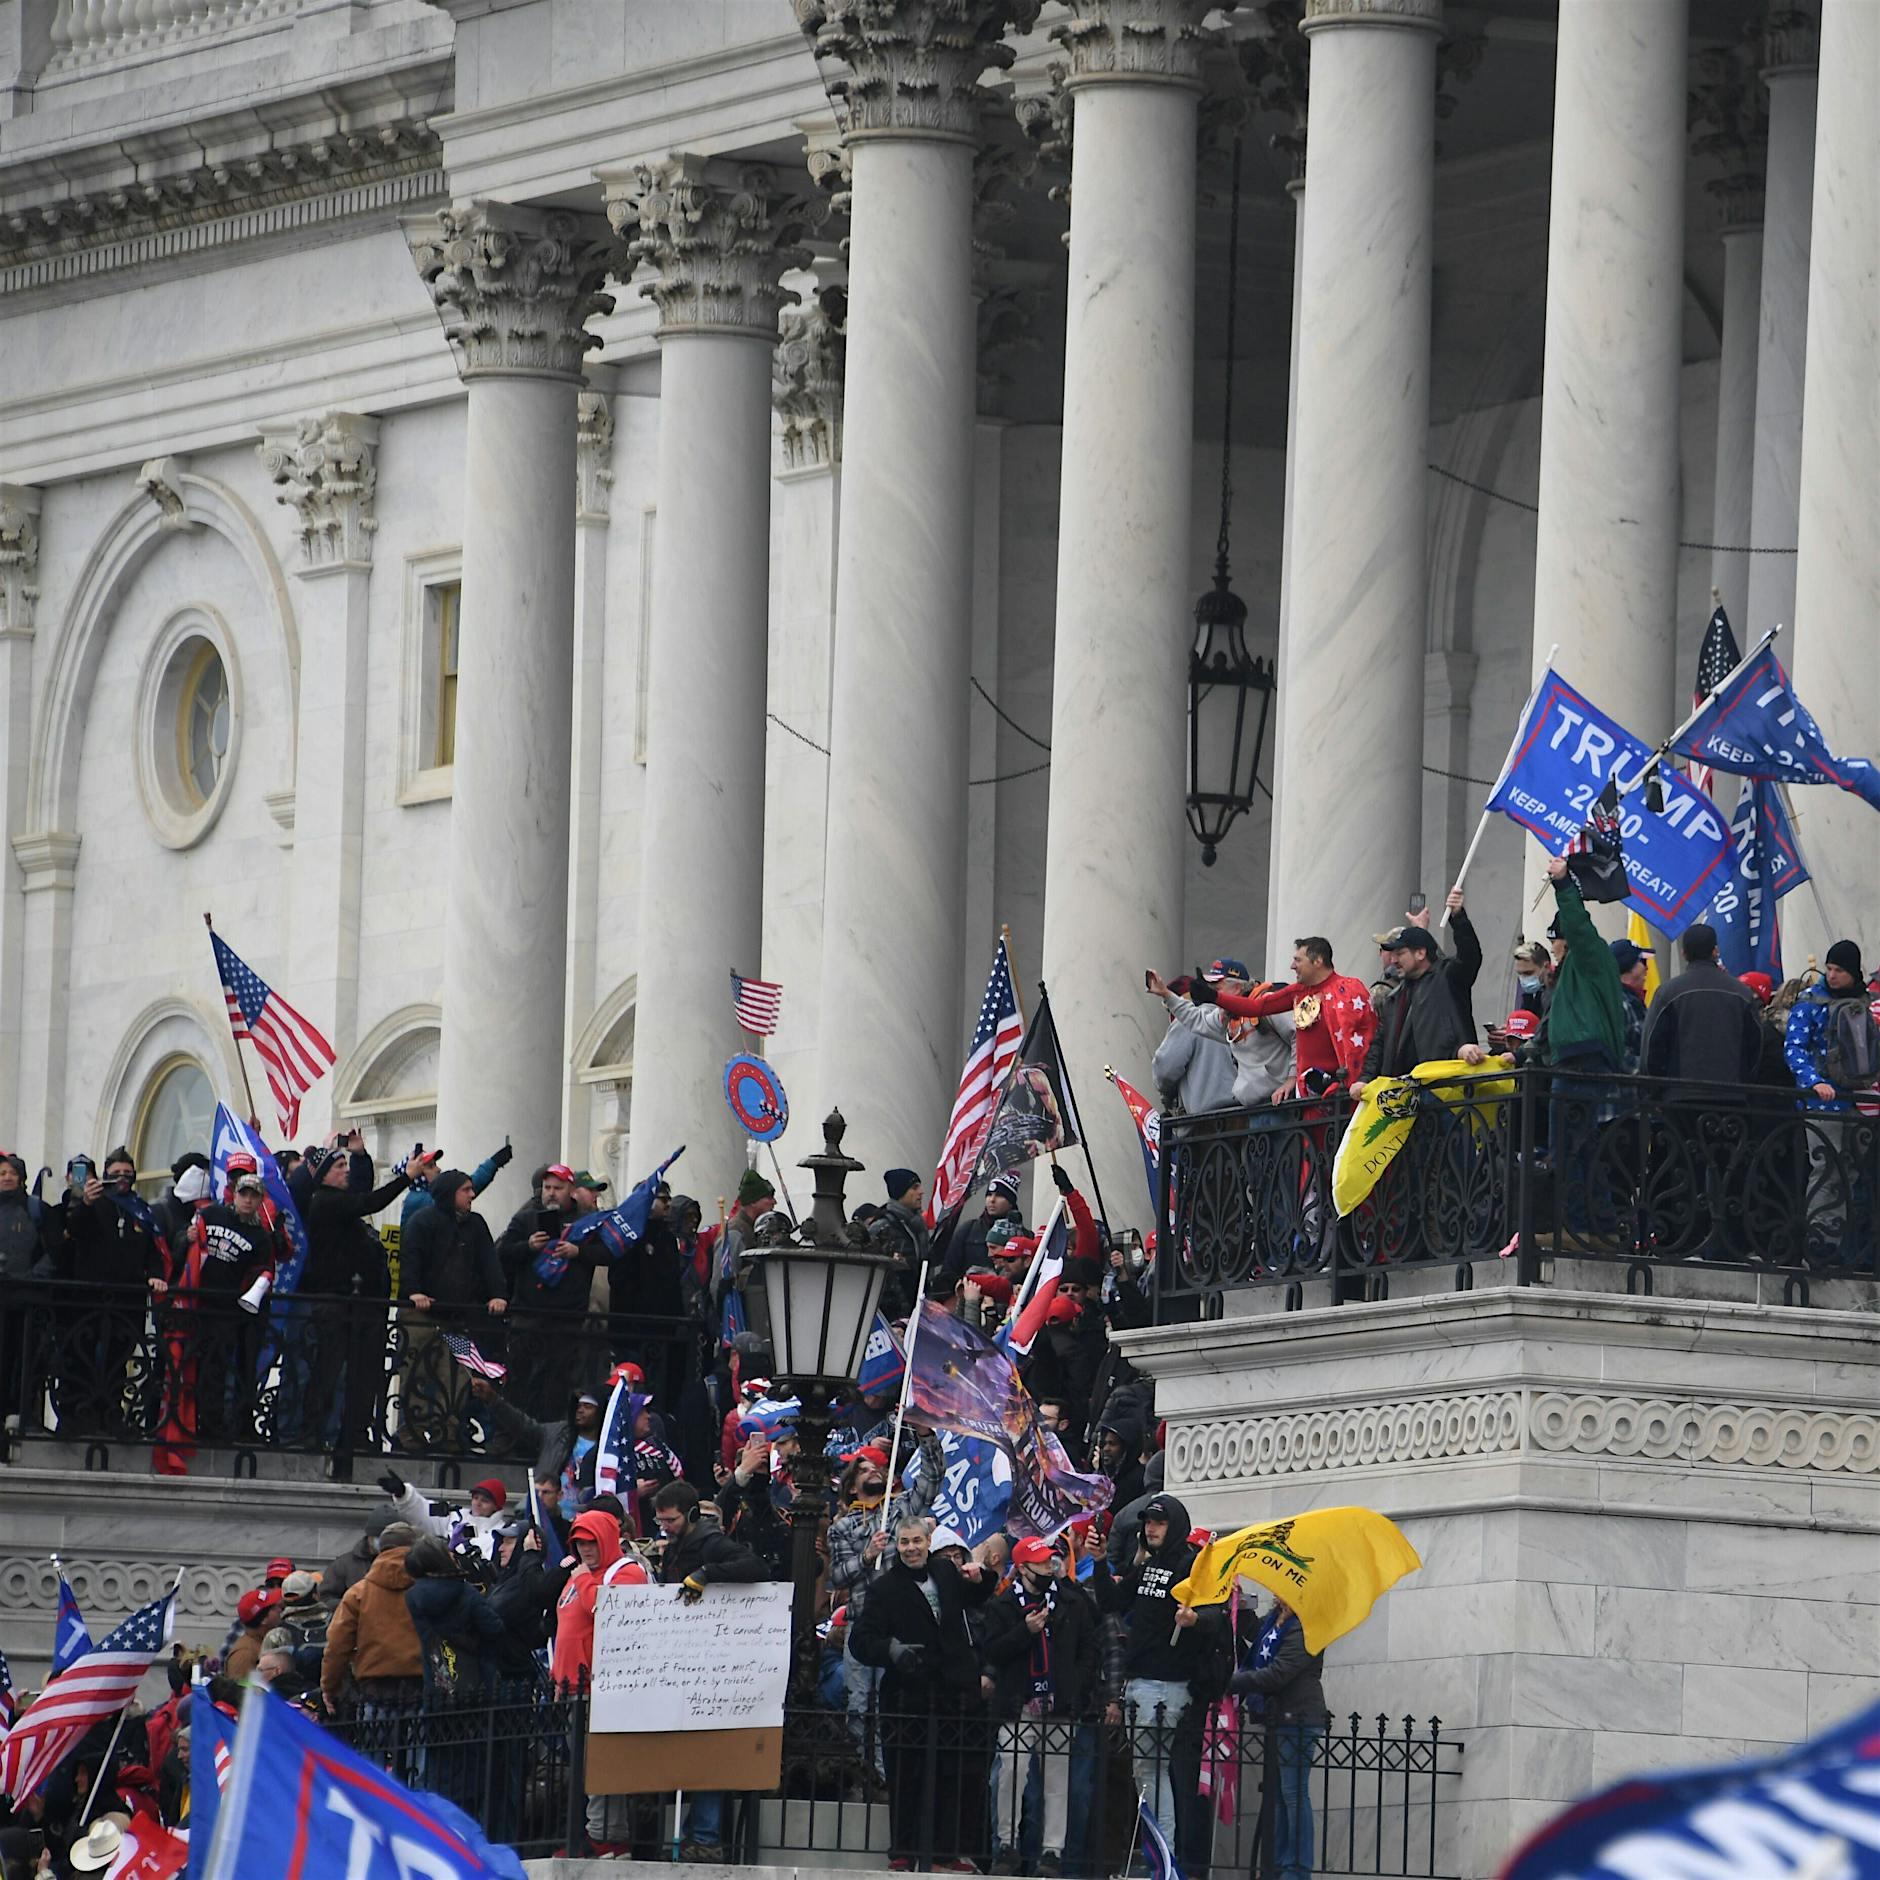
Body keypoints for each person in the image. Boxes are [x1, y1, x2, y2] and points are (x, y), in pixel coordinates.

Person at [848, 1515, 993, 1871]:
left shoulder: (945, 1572)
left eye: (917, 1541)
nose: (911, 1548)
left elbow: (978, 1596)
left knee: (952, 1775)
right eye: (904, 1542)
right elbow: (861, 1640)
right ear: (896, 1545)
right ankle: (903, 1850)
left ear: (929, 1542)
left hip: (952, 1691)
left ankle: (945, 1854)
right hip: (907, 1693)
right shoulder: (884, 1587)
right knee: (905, 1775)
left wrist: (983, 1576)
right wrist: (892, 1650)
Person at [1101, 1493, 1215, 1868]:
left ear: (1175, 1526)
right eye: (1147, 1521)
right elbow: (1113, 1601)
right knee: (1148, 1773)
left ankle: (1164, 1861)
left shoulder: (1190, 1566)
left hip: (1165, 1686)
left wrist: (1194, 1620)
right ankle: (1163, 1859)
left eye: (1159, 1522)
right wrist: (1100, 1561)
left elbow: (1215, 1619)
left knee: (1152, 1772)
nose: (1150, 1527)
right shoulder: (1149, 1566)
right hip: (1139, 1682)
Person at [300, 1138, 434, 1456]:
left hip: (362, 1305)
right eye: (339, 1166)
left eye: (346, 1165)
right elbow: (370, 1202)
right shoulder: (325, 1202)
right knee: (329, 1371)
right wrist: (407, 1176)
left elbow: (361, 1192)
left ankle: (356, 1434)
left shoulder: (341, 1203)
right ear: (323, 1175)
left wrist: (360, 1157)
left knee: (365, 1375)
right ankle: (312, 1432)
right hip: (334, 1302)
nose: (345, 1171)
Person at [652, 1483, 765, 1860]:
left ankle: (706, 1836)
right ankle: (694, 1833)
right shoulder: (676, 1547)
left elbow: (755, 1567)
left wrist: (706, 1573)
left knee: (706, 1752)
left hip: (712, 1664)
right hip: (683, 1659)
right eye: (661, 1519)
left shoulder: (711, 1543)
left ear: (692, 1516)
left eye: (671, 1519)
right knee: (689, 1756)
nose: (664, 1526)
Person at [982, 1535, 1101, 1877]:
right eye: (1040, 1563)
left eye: (1050, 1561)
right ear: (1022, 1568)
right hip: (1018, 1702)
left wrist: (1074, 1685)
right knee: (1010, 1773)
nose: (1048, 1567)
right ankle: (1006, 1844)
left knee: (1057, 1779)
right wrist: (1025, 1631)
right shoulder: (1003, 1605)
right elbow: (993, 1652)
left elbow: (1089, 1647)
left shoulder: (1069, 1601)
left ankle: (1053, 1851)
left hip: (1058, 1702)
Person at [398, 1169, 507, 1450]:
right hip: (422, 1316)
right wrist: (414, 1292)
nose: (472, 1195)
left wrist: (498, 1295)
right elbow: (410, 1259)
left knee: (457, 1378)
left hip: (456, 1318)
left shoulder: (475, 1225)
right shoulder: (423, 1221)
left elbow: (489, 1262)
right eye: (466, 1189)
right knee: (416, 1373)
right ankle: (410, 1433)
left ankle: (447, 1434)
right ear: (450, 1193)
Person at [1228, 1596, 1329, 1880]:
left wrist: (1231, 1683)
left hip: (1298, 1717)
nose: (1276, 1590)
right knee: (1279, 1796)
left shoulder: (1307, 1624)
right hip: (1278, 1718)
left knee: (1293, 1795)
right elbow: (1257, 1638)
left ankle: (1296, 1869)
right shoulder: (1277, 1618)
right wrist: (1237, 1602)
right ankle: (1277, 1865)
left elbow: (1279, 1673)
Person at [1212, 937, 1377, 1104]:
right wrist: (1214, 997)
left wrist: (1358, 1082)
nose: (1292, 966)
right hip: (1307, 1098)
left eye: (1298, 960)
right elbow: (1256, 1007)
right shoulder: (1298, 992)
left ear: (1318, 961)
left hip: (1342, 1097)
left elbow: (1364, 1042)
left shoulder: (1349, 989)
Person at [1354, 931, 1484, 1095]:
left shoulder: (1448, 977)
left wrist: (1458, 918)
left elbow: (1470, 955)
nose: (1394, 961)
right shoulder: (1394, 997)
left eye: (1400, 954)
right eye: (1392, 955)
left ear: (1421, 953)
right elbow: (1379, 1045)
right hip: (1403, 1096)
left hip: (1444, 1088)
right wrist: (1364, 1079)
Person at [1146, 969, 1293, 1108]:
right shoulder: (1225, 1018)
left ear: (1236, 987)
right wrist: (1165, 994)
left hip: (1276, 1105)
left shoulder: (1267, 1003)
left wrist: (1292, 1078)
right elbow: (1196, 1020)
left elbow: (1299, 1037)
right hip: (1250, 1111)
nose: (1211, 995)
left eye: (1216, 989)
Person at [320, 1520, 422, 1716]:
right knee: (417, 1745)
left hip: (375, 1688)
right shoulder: (427, 1587)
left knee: (374, 1745)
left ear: (380, 1549)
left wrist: (330, 1686)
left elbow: (337, 1644)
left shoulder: (358, 1592)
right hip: (419, 1685)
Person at [1640, 923, 1762, 1085]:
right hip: (1731, 1095)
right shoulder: (1742, 993)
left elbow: (1651, 1048)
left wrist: (1659, 1091)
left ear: (1684, 954)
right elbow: (1755, 1046)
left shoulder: (1667, 993)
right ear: (1715, 951)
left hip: (1680, 1095)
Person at [1151, 974, 1237, 1116]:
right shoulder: (1229, 1018)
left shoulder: (1186, 1022)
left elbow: (1165, 1071)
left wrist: (1168, 1093)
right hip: (1245, 1120)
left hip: (1205, 1122)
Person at [400, 1139, 512, 1227]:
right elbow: (457, 1194)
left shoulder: (420, 1196)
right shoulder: (418, 1199)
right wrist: (493, 1163)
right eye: (431, 1166)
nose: (438, 1169)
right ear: (418, 1173)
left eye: (435, 1164)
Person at [868, 1170, 930, 1319]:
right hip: (893, 1314)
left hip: (917, 1311)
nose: (921, 1192)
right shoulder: (881, 1228)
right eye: (914, 1188)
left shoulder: (918, 1226)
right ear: (900, 1192)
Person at [952, 1171, 1027, 1275]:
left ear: (1011, 1202)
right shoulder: (967, 1230)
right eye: (989, 1195)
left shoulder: (1025, 1237)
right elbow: (949, 1272)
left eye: (999, 1196)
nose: (992, 1200)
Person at [1608, 939, 1652, 1073]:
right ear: (1628, 968)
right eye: (1642, 962)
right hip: (1625, 1091)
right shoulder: (1618, 1004)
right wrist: (1656, 1068)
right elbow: (1619, 1057)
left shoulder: (1632, 1000)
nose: (1647, 968)